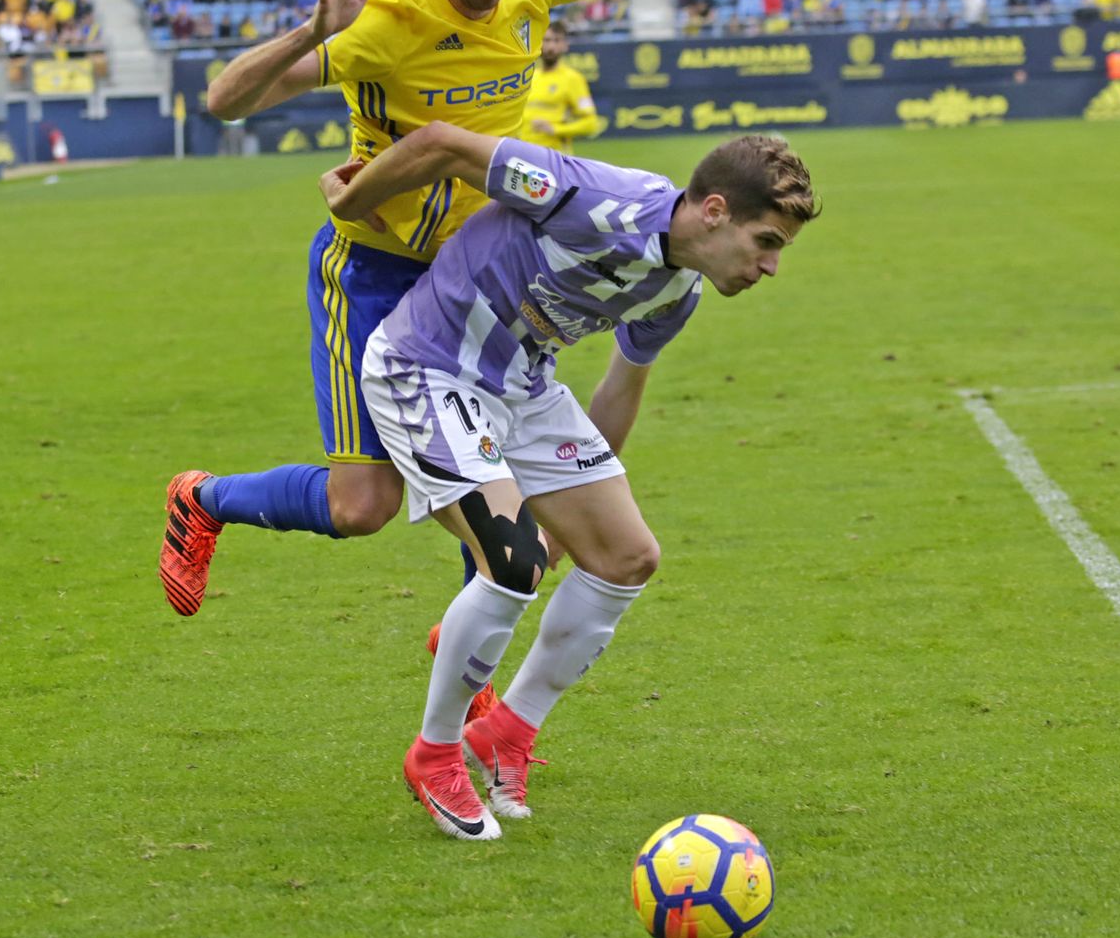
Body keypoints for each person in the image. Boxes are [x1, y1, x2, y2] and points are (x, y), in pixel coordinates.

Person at [160, 0, 665, 616]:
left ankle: (471, 694)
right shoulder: (388, 17)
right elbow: (225, 101)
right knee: (362, 507)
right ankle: (204, 500)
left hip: (480, 273)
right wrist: (315, 30)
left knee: (502, 504)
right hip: (375, 268)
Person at [313, 124, 819, 839]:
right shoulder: (591, 199)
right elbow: (444, 146)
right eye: (766, 242)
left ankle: (507, 734)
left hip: (522, 389)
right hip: (426, 369)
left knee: (625, 556)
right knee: (512, 561)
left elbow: (619, 390)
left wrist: (572, 514)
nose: (770, 267)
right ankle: (435, 755)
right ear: (714, 212)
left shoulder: (676, 294)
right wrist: (353, 200)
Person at [517, 19, 602, 151]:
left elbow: (590, 124)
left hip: (555, 157)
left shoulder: (573, 78)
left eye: (556, 40)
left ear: (565, 45)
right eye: (546, 40)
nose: (551, 46)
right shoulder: (529, 76)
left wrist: (555, 129)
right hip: (523, 156)